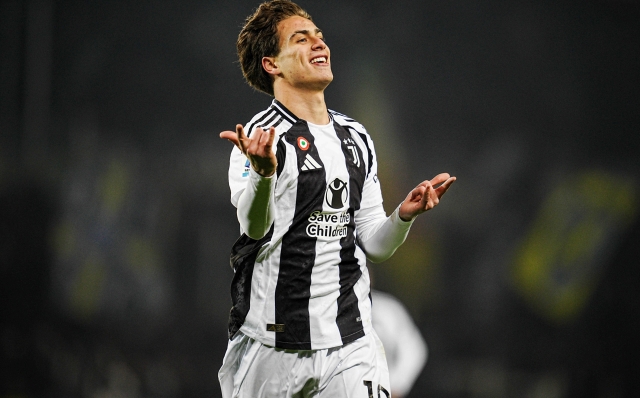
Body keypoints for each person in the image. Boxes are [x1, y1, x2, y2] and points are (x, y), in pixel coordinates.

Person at [218, 1, 456, 397]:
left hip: (350, 342)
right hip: (271, 344)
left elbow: (374, 244)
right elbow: (253, 227)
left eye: (319, 36)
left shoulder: (356, 137)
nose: (319, 44)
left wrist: (402, 217)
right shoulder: (257, 138)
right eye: (301, 38)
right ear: (271, 64)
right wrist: (262, 173)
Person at [370, 289, 428, 398]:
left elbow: (413, 350)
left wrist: (396, 387)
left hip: (379, 390)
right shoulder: (332, 307)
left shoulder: (387, 307)